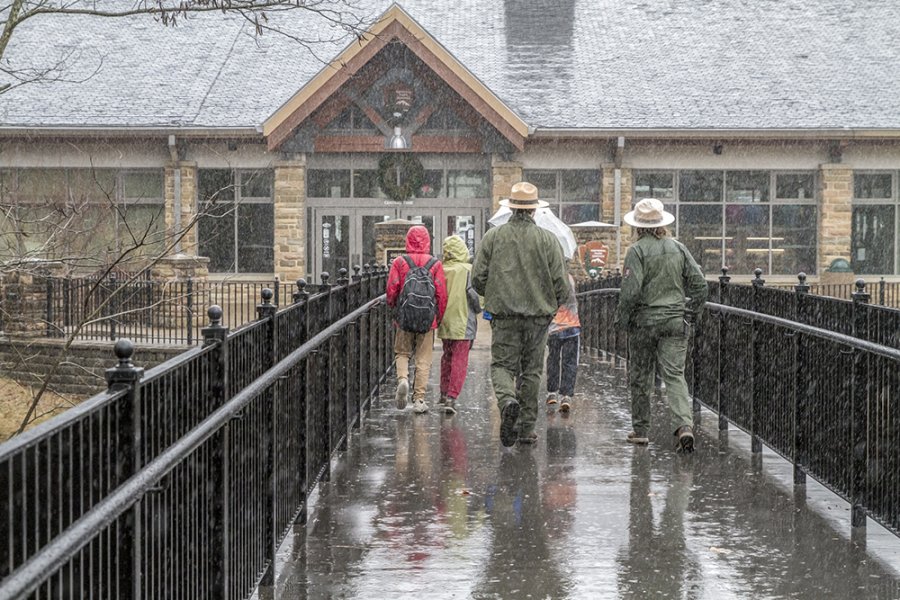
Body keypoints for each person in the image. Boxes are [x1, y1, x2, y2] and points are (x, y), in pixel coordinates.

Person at [472, 181, 569, 447]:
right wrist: (550, 306)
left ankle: (507, 401)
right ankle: (526, 429)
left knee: (503, 366)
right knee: (532, 371)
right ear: (534, 210)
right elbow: (562, 284)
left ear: (511, 209)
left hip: (504, 316)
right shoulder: (548, 240)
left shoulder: (493, 237)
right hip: (538, 317)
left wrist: (493, 294)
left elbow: (477, 278)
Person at [614, 198, 708, 452]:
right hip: (675, 321)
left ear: (638, 227)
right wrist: (690, 313)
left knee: (641, 376)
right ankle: (683, 426)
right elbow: (700, 285)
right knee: (675, 376)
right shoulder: (677, 248)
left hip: (644, 323)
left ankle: (641, 430)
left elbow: (631, 292)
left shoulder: (636, 251)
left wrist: (622, 319)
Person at [386, 225, 448, 414]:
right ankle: (419, 399)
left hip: (405, 316)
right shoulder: (435, 264)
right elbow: (441, 294)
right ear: (428, 241)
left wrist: (394, 309)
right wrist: (438, 316)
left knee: (402, 352)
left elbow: (392, 290)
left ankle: (403, 379)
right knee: (423, 358)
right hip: (427, 319)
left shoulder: (400, 262)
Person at [436, 234, 481, 415]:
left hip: (445, 321)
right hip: (464, 322)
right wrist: (480, 309)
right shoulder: (468, 270)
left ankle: (443, 391)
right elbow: (474, 296)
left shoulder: (441, 269)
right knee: (459, 360)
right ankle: (452, 397)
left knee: (447, 356)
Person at [546, 265, 581, 413]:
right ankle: (566, 395)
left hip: (554, 326)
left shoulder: (549, 280)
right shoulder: (570, 279)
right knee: (570, 362)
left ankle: (552, 392)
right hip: (571, 326)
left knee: (553, 359)